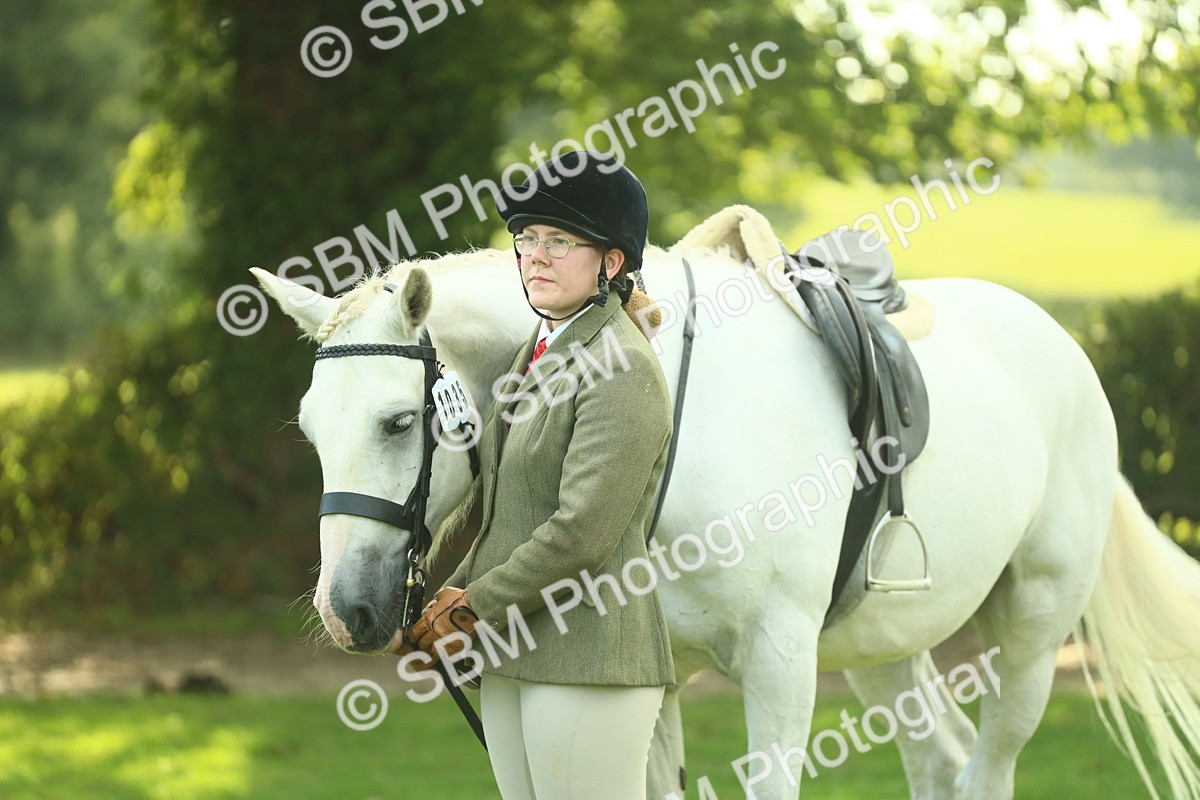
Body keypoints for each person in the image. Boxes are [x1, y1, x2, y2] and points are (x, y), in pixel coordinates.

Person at [406, 150, 675, 800]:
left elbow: (582, 530)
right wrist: (450, 596)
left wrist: (472, 608)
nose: (536, 256)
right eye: (527, 240)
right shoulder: (539, 347)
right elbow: (506, 512)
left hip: (590, 658)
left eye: (560, 241)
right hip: (513, 652)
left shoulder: (623, 368)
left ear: (611, 262)